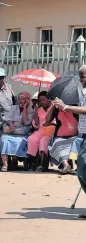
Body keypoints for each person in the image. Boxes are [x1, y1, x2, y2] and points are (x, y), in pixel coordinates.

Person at [52, 65, 86, 217]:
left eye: (83, 76)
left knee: (83, 168)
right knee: (82, 170)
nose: (81, 79)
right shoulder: (83, 92)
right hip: (83, 135)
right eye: (80, 76)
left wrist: (66, 107)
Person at [0, 92, 34, 172]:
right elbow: (9, 119)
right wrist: (12, 125)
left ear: (28, 100)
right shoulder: (14, 107)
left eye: (23, 99)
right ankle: (5, 164)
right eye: (19, 99)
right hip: (12, 129)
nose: (20, 101)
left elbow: (26, 123)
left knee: (21, 139)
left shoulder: (31, 110)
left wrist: (25, 108)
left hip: (22, 132)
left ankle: (15, 159)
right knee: (4, 139)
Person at [46, 100, 79, 174]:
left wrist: (66, 107)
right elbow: (47, 119)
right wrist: (53, 106)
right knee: (57, 144)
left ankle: (76, 166)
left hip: (74, 136)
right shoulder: (56, 109)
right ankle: (66, 165)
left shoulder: (75, 107)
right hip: (60, 137)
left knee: (77, 143)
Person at [26, 91, 55, 171]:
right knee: (31, 139)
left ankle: (42, 164)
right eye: (40, 100)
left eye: (43, 100)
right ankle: (33, 162)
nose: (41, 102)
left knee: (43, 141)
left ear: (49, 100)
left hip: (50, 130)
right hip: (40, 130)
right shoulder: (39, 109)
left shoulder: (54, 108)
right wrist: (36, 112)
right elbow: (36, 124)